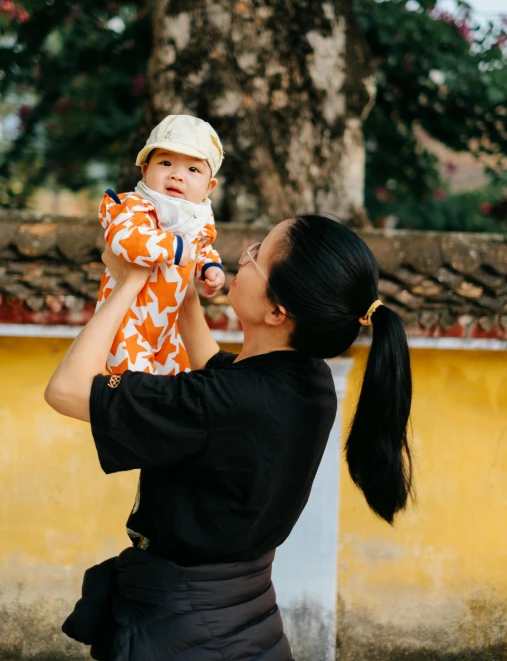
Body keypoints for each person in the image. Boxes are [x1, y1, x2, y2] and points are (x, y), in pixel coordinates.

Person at [45, 214, 413, 661]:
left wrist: (127, 283)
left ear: (278, 311)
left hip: (184, 628)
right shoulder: (306, 381)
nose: (245, 254)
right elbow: (206, 358)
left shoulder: (219, 402)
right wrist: (174, 267)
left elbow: (65, 390)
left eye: (259, 255)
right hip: (242, 611)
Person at [97, 113, 226, 375]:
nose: (177, 176)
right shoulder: (136, 205)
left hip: (170, 324)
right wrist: (175, 247)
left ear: (209, 187)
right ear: (145, 170)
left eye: (193, 170)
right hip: (128, 320)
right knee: (132, 385)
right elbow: (126, 240)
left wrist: (210, 267)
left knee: (174, 381)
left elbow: (202, 248)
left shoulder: (197, 217)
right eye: (166, 163)